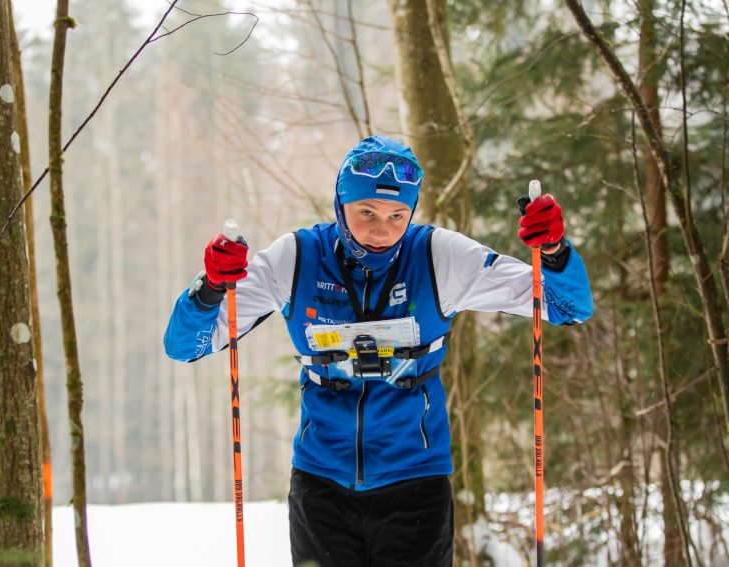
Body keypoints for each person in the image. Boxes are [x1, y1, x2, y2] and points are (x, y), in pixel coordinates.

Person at [164, 136, 593, 566]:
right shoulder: (296, 258)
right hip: (322, 485)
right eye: (366, 211)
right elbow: (185, 346)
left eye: (397, 215)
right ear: (340, 204)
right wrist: (211, 289)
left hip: (416, 484)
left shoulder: (438, 256)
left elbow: (564, 307)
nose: (380, 230)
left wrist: (554, 254)